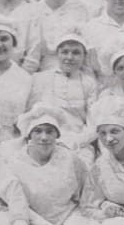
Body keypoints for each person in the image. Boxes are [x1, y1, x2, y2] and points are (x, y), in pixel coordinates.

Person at [9, 105, 111, 225]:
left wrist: (93, 213)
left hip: (68, 215)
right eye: (38, 131)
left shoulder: (70, 158)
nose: (44, 137)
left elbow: (85, 192)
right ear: (28, 135)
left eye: (50, 131)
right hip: (34, 222)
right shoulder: (14, 164)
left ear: (57, 135)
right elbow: (19, 207)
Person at [30, 30, 99, 163]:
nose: (70, 57)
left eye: (76, 53)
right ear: (57, 54)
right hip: (46, 140)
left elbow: (93, 123)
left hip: (79, 142)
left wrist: (76, 141)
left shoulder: (89, 82)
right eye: (65, 52)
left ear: (84, 56)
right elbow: (32, 116)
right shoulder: (41, 78)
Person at [31, 0, 90, 72]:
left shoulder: (79, 8)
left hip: (74, 67)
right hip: (41, 68)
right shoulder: (33, 10)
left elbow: (87, 42)